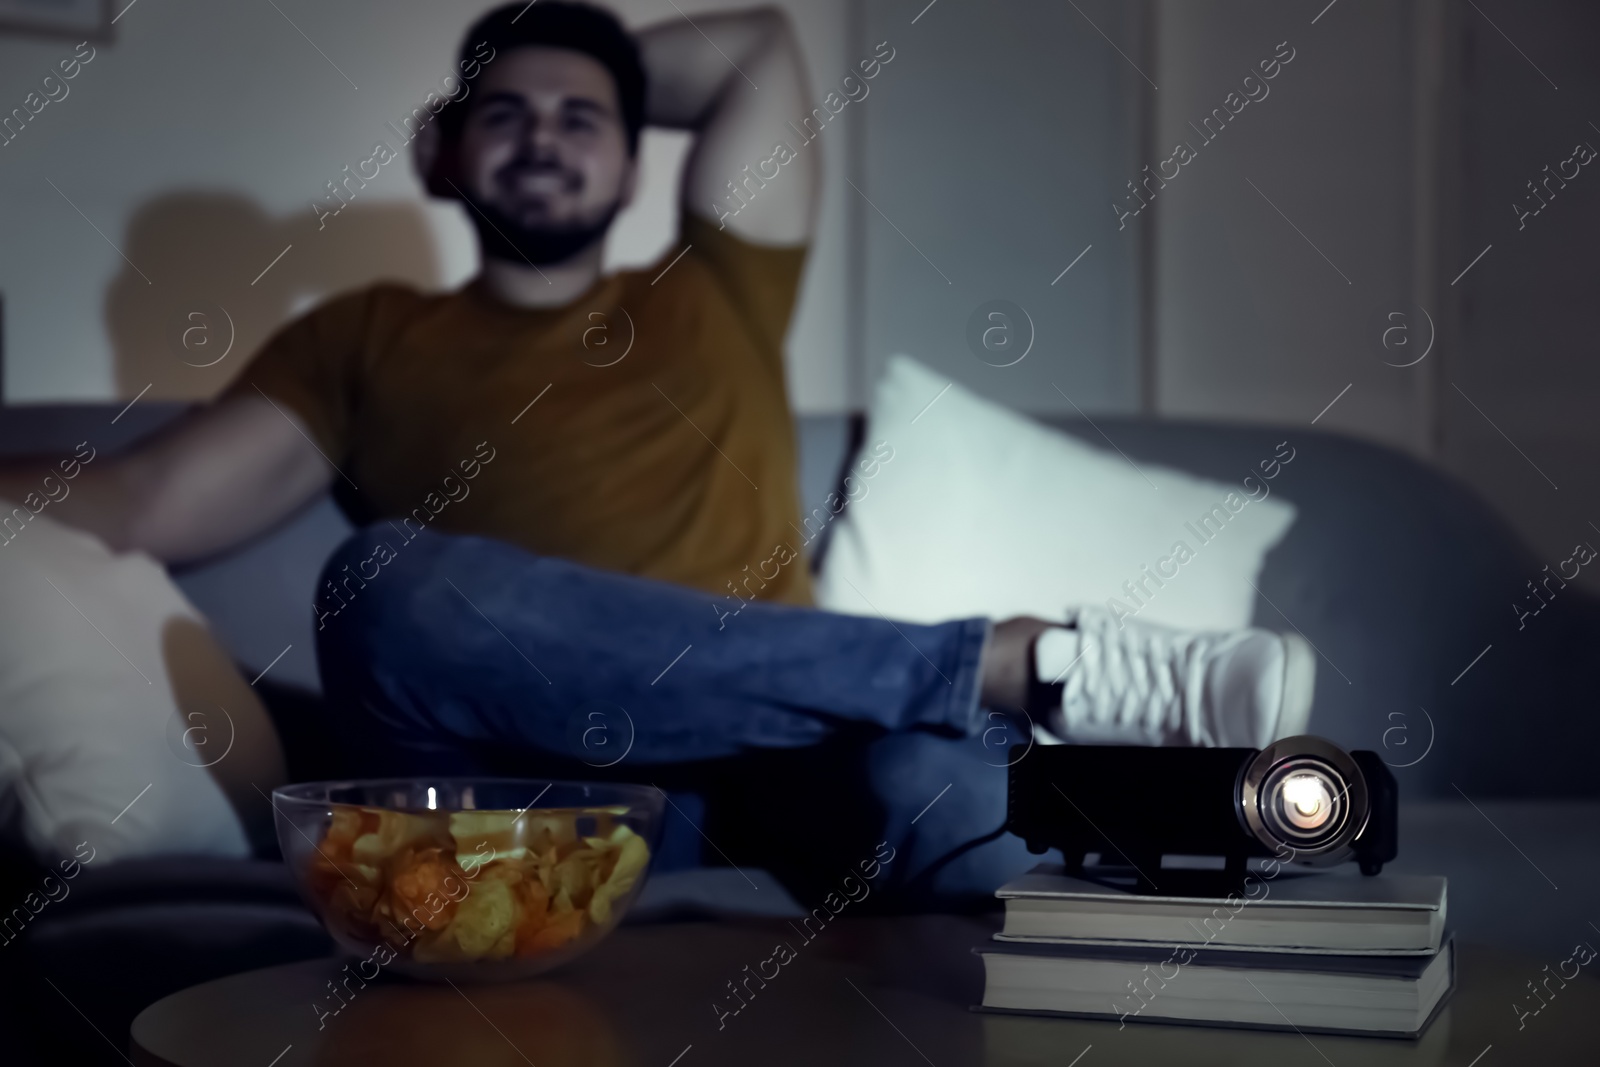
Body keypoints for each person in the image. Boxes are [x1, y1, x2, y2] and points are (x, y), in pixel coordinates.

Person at [0, 2, 1311, 906]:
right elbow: (131, 504)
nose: (548, 133)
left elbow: (754, 49)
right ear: (439, 154)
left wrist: (576, 55)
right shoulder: (366, 336)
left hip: (784, 753)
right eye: (503, 113)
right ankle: (1014, 662)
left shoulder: (711, 284)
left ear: (635, 160)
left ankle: (1033, 726)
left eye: (586, 117)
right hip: (538, 791)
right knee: (378, 587)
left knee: (944, 793)